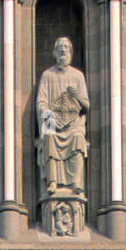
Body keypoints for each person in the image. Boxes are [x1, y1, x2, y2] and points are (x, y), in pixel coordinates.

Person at [36, 37, 89, 196]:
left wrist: (78, 96)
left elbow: (86, 106)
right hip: (53, 121)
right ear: (54, 52)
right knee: (49, 136)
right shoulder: (47, 75)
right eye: (59, 47)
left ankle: (76, 182)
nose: (63, 50)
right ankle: (52, 181)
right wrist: (52, 119)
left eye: (66, 47)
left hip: (73, 124)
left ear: (71, 53)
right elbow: (41, 103)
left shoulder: (78, 76)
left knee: (78, 137)